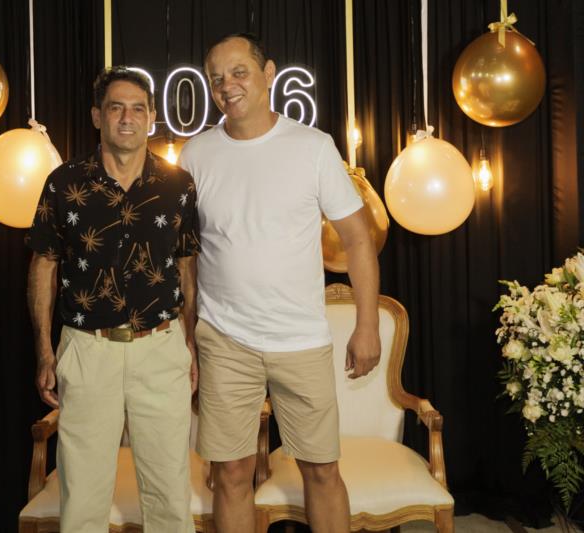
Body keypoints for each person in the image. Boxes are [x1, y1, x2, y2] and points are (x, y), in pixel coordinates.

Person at [178, 33, 381, 533]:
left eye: (239, 72)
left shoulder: (313, 147)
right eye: (216, 78)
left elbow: (358, 239)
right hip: (225, 339)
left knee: (322, 470)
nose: (227, 86)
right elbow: (187, 258)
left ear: (268, 74)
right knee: (230, 474)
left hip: (301, 339)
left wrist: (367, 325)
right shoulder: (195, 154)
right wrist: (188, 335)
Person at [26, 67, 200, 533]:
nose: (127, 117)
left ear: (151, 118)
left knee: (169, 493)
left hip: (161, 346)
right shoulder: (63, 184)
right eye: (116, 107)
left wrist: (191, 345)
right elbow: (43, 265)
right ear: (97, 116)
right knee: (82, 496)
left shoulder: (178, 186)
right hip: (88, 349)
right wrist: (44, 351)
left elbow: (187, 268)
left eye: (138, 108)